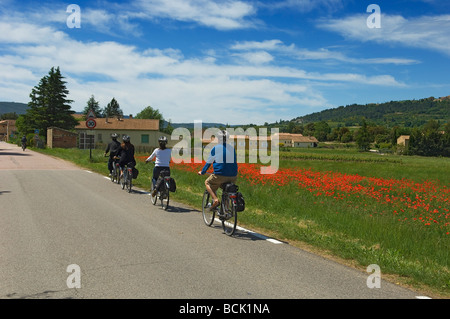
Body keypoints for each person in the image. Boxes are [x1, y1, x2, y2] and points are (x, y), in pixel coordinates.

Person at [197, 130, 238, 211]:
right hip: (233, 176)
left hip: (219, 175)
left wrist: (202, 172)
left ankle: (215, 199)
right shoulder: (232, 148)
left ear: (218, 138)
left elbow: (208, 162)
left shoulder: (215, 148)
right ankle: (225, 209)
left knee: (207, 183)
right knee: (225, 190)